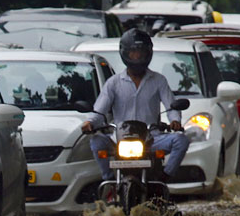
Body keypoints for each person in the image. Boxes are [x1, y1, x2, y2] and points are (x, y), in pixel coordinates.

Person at [81, 28, 189, 186]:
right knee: (96, 142)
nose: (137, 57)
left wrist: (175, 121)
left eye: (141, 53)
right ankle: (109, 180)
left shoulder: (159, 80)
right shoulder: (113, 82)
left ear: (148, 54)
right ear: (125, 54)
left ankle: (163, 178)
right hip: (119, 140)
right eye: (133, 53)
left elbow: (172, 106)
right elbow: (99, 111)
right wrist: (90, 123)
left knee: (181, 140)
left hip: (151, 139)